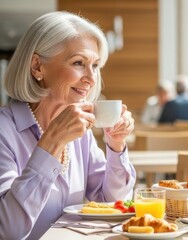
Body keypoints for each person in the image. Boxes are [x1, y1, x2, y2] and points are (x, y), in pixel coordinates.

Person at [0, 11, 136, 239]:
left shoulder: (80, 131)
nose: (92, 79)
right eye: (79, 63)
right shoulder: (4, 131)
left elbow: (113, 203)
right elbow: (7, 229)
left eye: (95, 65)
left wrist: (115, 145)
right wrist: (51, 144)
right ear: (37, 67)